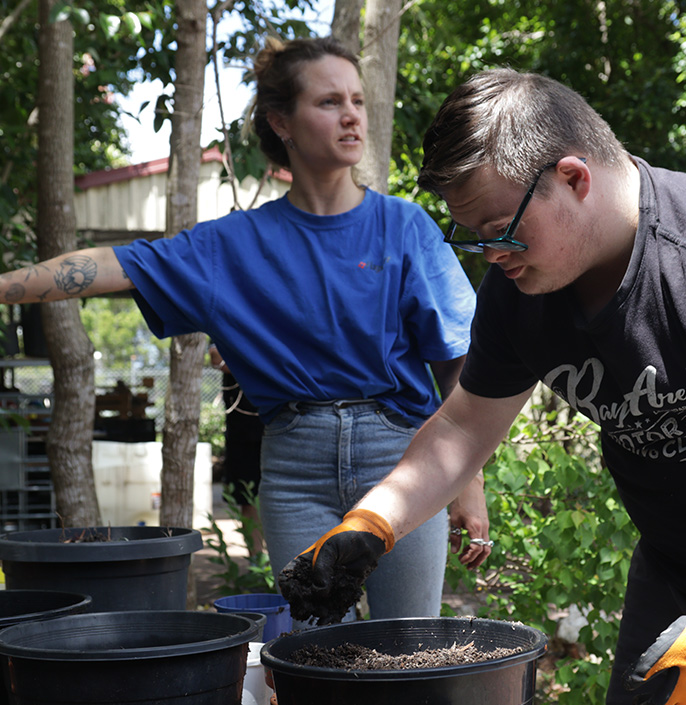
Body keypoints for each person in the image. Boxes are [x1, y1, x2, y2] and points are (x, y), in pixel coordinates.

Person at [277, 68, 686, 705]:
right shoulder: (527, 286)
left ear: (572, 177)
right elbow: (463, 425)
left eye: (500, 230)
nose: (492, 255)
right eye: (473, 237)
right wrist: (372, 522)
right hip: (673, 568)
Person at [0, 36, 490, 628]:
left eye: (357, 100)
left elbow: (460, 361)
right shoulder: (229, 247)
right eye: (330, 101)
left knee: (410, 647)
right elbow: (115, 264)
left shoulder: (404, 227)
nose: (352, 114)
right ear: (281, 122)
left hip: (403, 458)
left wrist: (467, 481)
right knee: (311, 653)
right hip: (296, 467)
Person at [208, 341, 265, 556]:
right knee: (246, 494)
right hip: (244, 428)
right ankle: (257, 561)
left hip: (283, 423)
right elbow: (217, 357)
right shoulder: (229, 311)